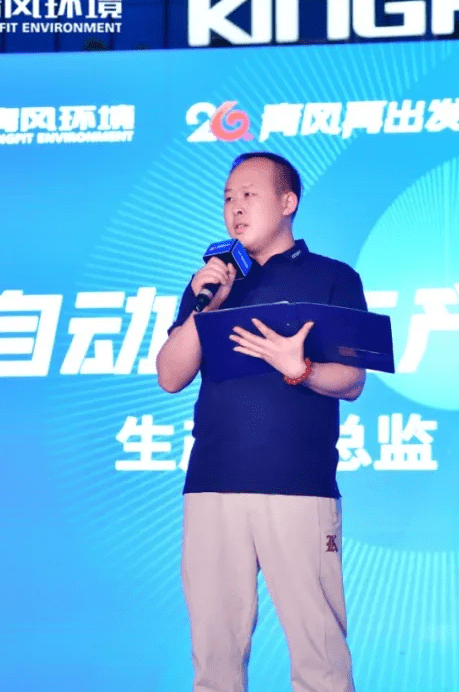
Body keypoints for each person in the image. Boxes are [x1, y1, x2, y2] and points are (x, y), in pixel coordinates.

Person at [155, 152, 367, 692]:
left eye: (249, 195)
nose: (235, 208)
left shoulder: (333, 278)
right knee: (214, 659)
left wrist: (301, 369)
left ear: (288, 202)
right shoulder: (211, 284)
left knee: (320, 656)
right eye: (228, 197)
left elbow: (352, 380)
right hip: (212, 486)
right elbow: (170, 375)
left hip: (298, 487)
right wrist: (205, 306)